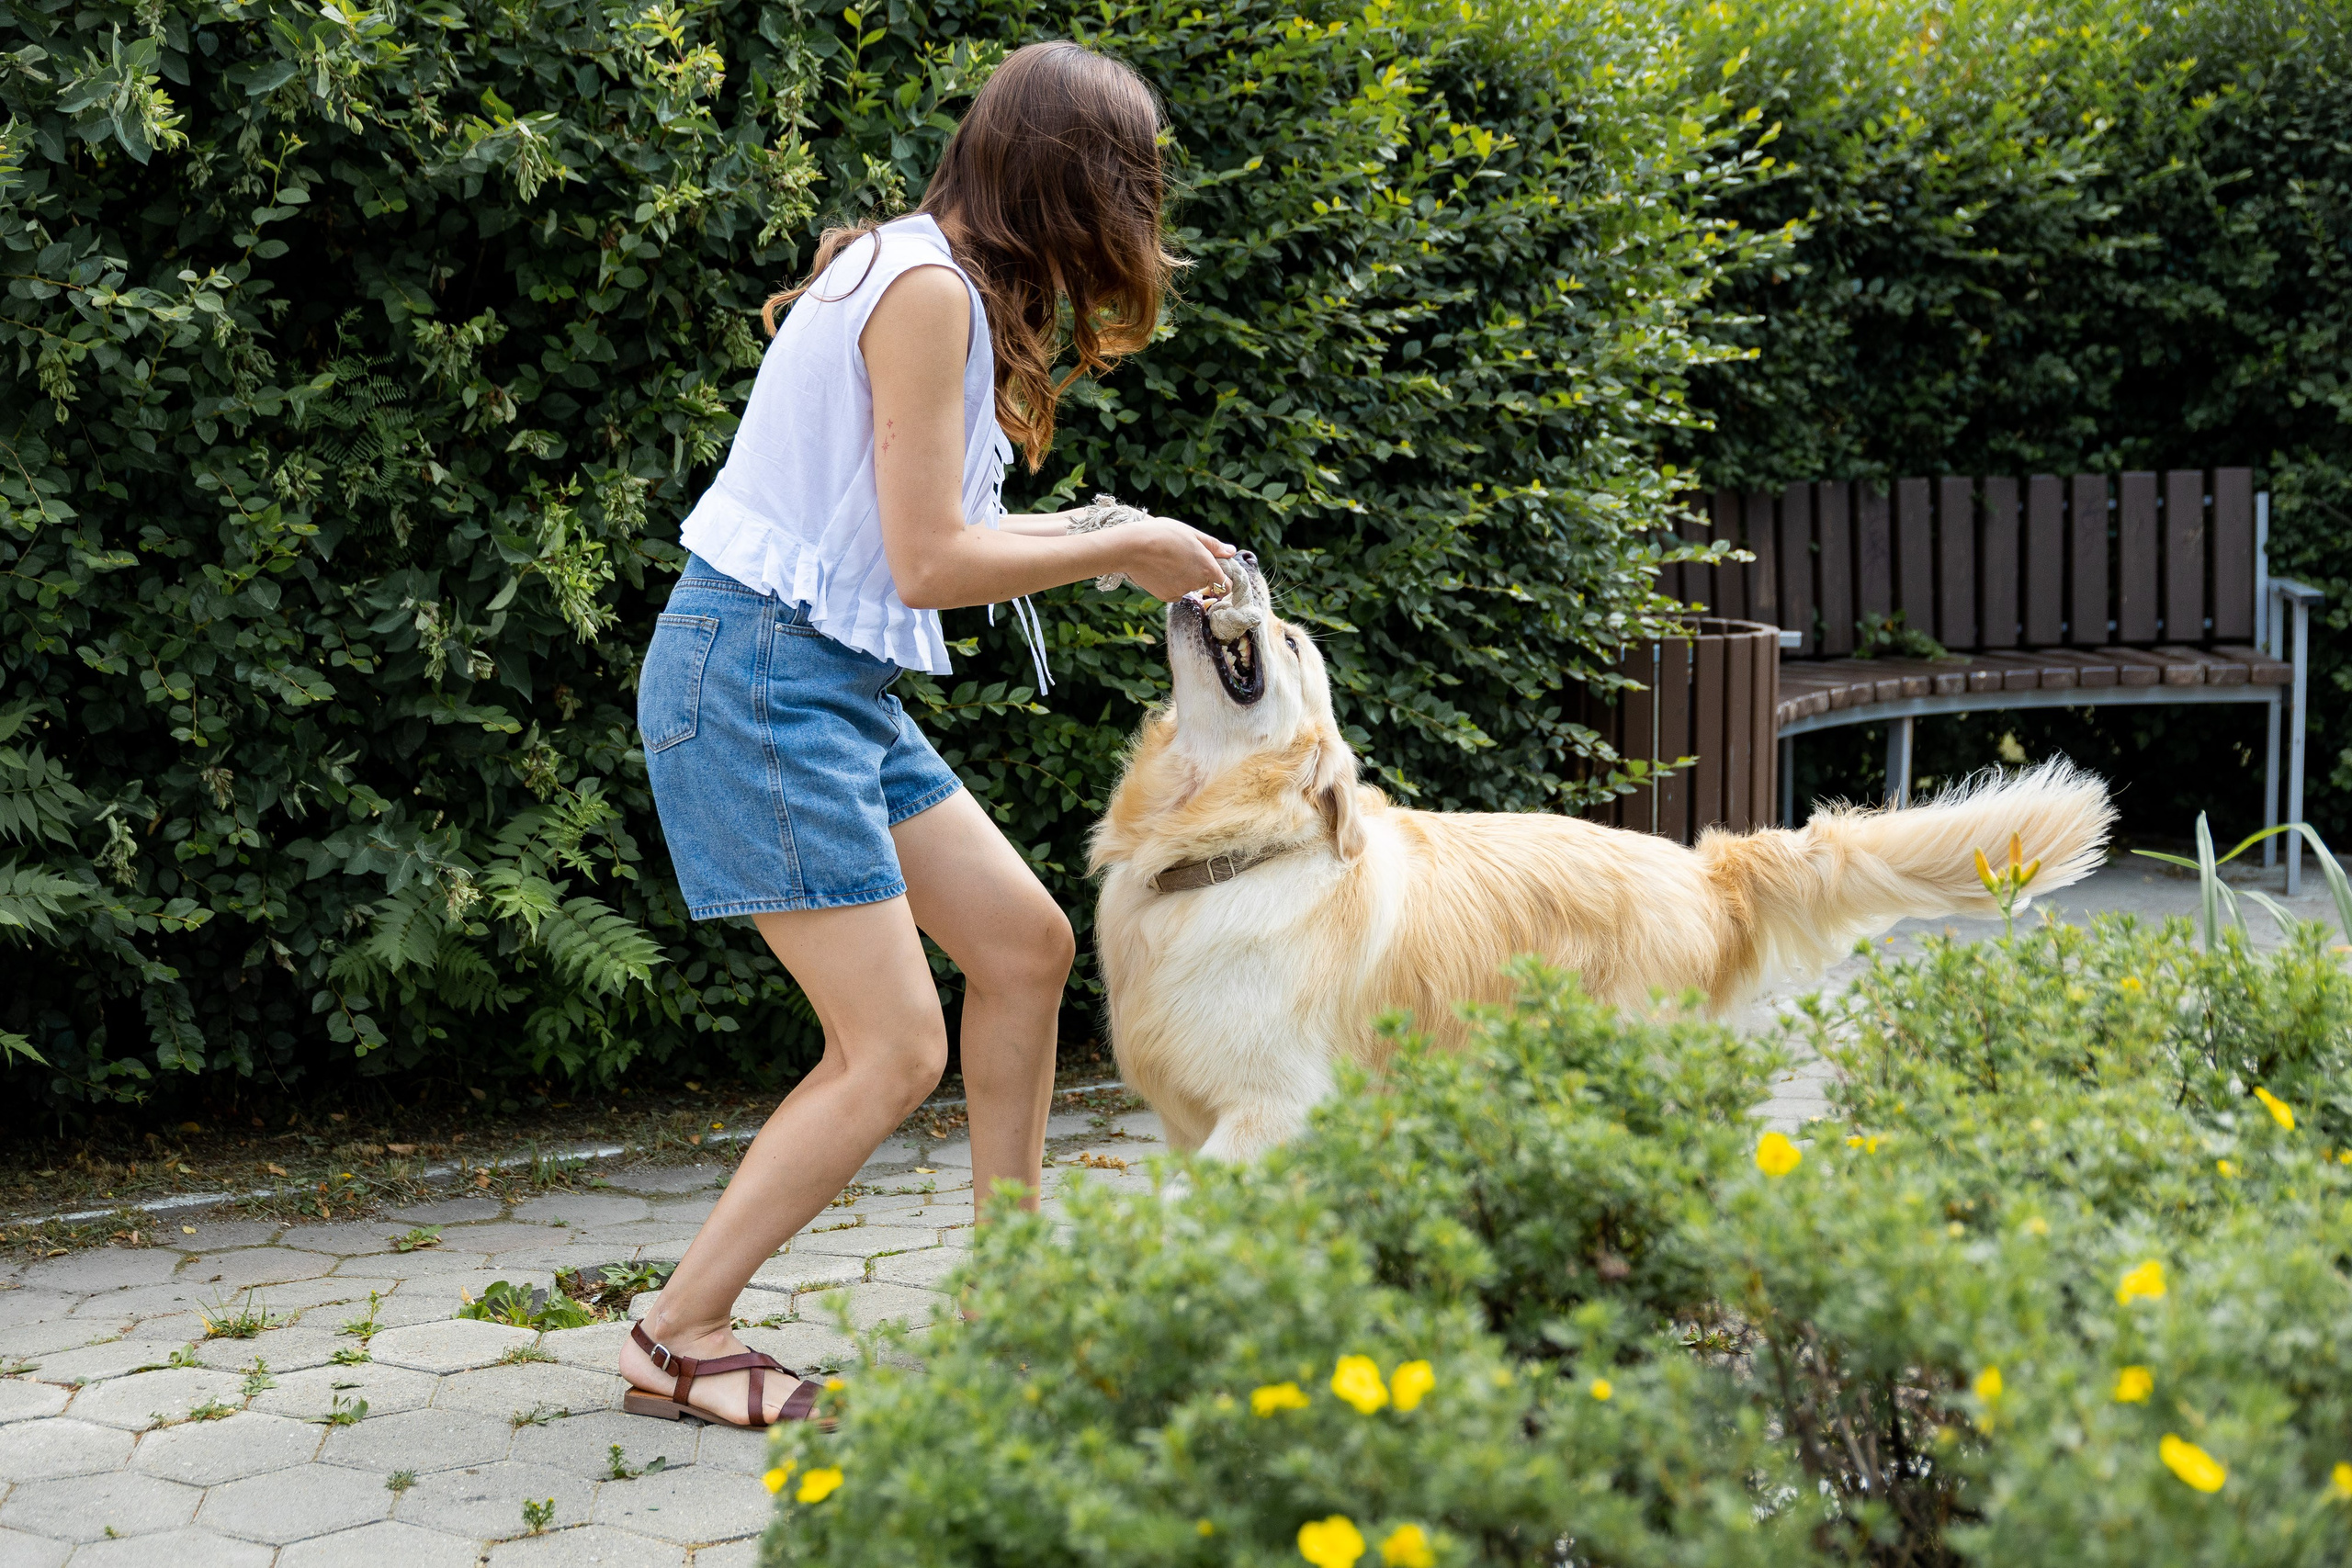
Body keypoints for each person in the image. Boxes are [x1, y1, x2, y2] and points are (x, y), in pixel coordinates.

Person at [617, 39, 1237, 1428]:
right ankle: (675, 1332)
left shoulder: (914, 266)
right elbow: (925, 566)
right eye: (1132, 185)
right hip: (764, 675)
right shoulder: (922, 294)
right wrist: (1118, 541)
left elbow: (923, 539)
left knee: (1024, 946)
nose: (1140, 218)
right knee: (890, 1046)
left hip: (815, 672)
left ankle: (1010, 1288)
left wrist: (1107, 535)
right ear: (1069, 182)